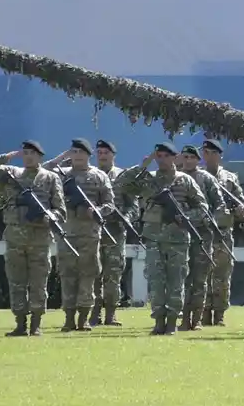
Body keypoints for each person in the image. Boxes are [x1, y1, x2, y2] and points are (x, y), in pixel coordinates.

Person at [114, 143, 210, 336]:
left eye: (166, 156)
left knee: (176, 281)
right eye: (159, 156)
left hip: (178, 239)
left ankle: (173, 322)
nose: (162, 159)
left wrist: (185, 216)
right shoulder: (148, 181)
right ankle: (158, 321)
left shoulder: (185, 181)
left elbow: (203, 208)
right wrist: (143, 165)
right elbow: (121, 183)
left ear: (175, 158)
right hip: (153, 238)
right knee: (156, 281)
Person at [0, 141, 66, 337]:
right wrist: (5, 157)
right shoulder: (10, 175)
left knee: (38, 282)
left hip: (40, 238)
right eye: (25, 153)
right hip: (15, 237)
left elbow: (61, 210)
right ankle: (20, 323)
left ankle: (36, 324)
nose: (28, 157)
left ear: (40, 157)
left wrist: (49, 216)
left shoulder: (50, 178)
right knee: (16, 281)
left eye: (32, 154)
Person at [46, 138, 116, 333]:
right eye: (73, 152)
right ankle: (69, 318)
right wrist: (62, 157)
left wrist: (96, 211)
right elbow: (43, 171)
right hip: (67, 234)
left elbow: (110, 204)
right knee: (67, 276)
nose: (77, 156)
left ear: (88, 155)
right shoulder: (61, 176)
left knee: (88, 276)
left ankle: (83, 318)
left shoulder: (99, 176)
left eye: (80, 152)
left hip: (90, 234)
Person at [178, 145, 225, 332]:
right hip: (180, 234)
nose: (188, 160)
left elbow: (219, 204)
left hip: (202, 235)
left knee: (199, 279)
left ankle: (196, 319)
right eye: (186, 157)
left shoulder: (206, 179)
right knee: (182, 279)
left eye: (192, 157)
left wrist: (208, 219)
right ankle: (182, 318)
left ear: (198, 160)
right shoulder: (177, 178)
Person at [201, 139, 244, 326]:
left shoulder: (230, 178)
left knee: (222, 275)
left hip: (223, 231)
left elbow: (240, 201)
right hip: (203, 231)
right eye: (205, 152)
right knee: (201, 274)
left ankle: (219, 315)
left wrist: (239, 209)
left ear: (219, 155)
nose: (208, 156)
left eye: (212, 153)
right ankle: (202, 313)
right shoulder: (197, 177)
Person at [91, 140, 132, 326]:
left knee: (113, 275)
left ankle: (111, 314)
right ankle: (93, 314)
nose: (102, 156)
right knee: (93, 274)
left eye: (106, 152)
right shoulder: (91, 176)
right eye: (99, 152)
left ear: (113, 155)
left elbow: (133, 204)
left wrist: (127, 218)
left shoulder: (123, 176)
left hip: (115, 231)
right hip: (93, 231)